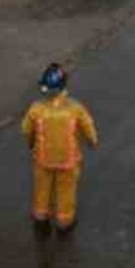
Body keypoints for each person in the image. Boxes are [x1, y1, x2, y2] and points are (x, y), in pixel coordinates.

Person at [22, 64, 98, 235]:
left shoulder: (36, 109)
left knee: (42, 188)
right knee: (66, 190)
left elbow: (26, 129)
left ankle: (41, 218)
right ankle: (64, 222)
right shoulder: (75, 109)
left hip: (43, 159)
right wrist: (92, 141)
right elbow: (88, 126)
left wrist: (31, 142)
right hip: (68, 160)